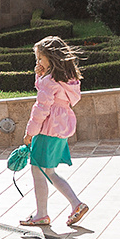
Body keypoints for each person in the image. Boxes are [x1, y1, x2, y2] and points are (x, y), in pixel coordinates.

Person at [18, 36, 92, 228]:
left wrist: (30, 133)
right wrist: (39, 75)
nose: (38, 62)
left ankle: (43, 214)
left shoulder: (49, 81)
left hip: (47, 128)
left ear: (51, 58)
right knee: (49, 171)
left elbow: (41, 108)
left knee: (39, 170)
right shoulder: (68, 79)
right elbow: (47, 92)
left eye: (40, 59)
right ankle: (75, 204)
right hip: (62, 127)